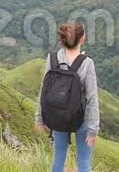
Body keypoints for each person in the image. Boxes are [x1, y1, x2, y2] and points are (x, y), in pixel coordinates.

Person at [35, 22, 100, 172]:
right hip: (81, 119)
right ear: (82, 39)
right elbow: (91, 98)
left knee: (58, 160)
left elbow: (44, 91)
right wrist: (93, 129)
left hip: (58, 117)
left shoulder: (52, 58)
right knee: (83, 163)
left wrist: (40, 118)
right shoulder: (86, 63)